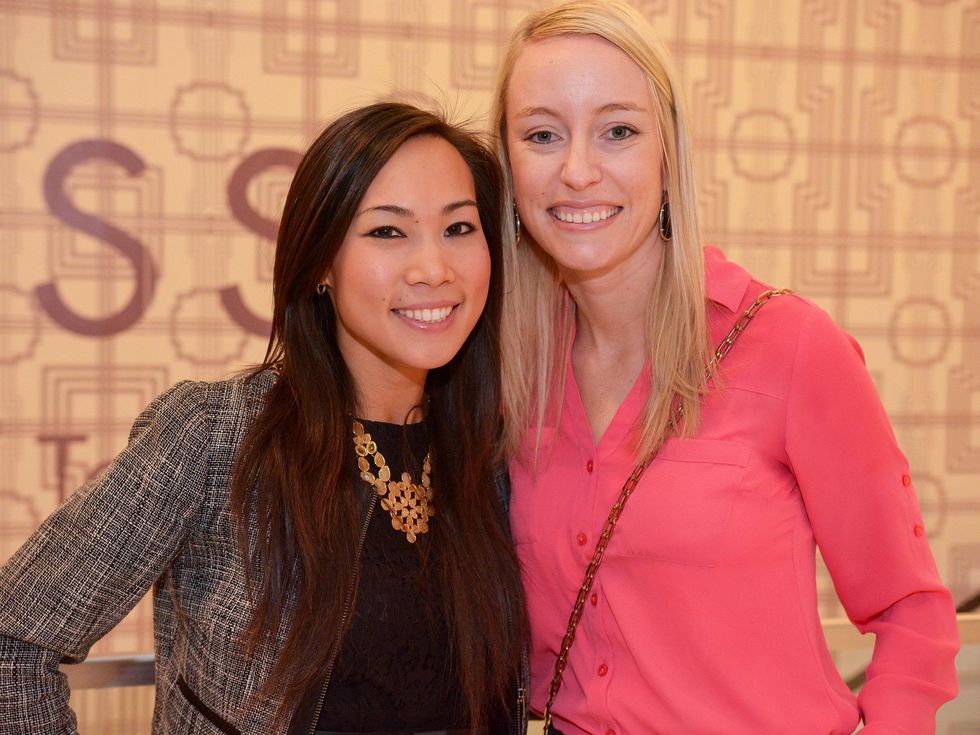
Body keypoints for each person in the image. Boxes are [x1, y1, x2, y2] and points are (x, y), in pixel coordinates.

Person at [490, 2, 959, 733]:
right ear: (507, 164)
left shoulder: (791, 346)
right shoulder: (503, 373)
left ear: (669, 157)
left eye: (618, 131)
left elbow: (911, 612)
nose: (577, 170)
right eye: (543, 134)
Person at [0, 102, 527, 734]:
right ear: (320, 265)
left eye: (459, 228)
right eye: (388, 232)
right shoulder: (216, 435)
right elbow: (15, 640)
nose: (434, 269)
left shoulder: (493, 449)